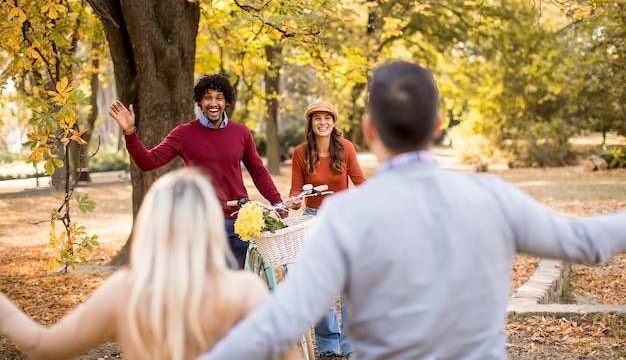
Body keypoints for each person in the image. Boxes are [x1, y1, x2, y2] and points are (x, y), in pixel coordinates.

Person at [196, 59, 626, 360]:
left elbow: (283, 320)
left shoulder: (344, 218)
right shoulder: (494, 196)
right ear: (438, 124)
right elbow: (587, 242)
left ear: (367, 130)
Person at [0, 168, 302, 360]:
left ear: (151, 222)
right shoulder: (244, 290)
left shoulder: (125, 291)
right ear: (210, 223)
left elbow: (42, 345)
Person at [109, 74, 286, 269]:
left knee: (232, 283)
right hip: (201, 219)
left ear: (226, 102)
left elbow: (258, 172)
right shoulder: (183, 134)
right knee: (205, 285)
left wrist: (277, 201)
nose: (213, 103)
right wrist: (130, 132)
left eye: (219, 97)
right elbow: (148, 162)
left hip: (237, 222)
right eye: (207, 97)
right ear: (200, 101)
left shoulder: (241, 132)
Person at [288, 100, 366, 360]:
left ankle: (351, 344)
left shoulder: (345, 148)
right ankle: (329, 345)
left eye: (327, 118)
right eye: (317, 118)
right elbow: (295, 188)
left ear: (334, 122)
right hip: (313, 220)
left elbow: (360, 182)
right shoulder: (300, 152)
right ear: (310, 123)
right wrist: (296, 199)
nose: (323, 122)